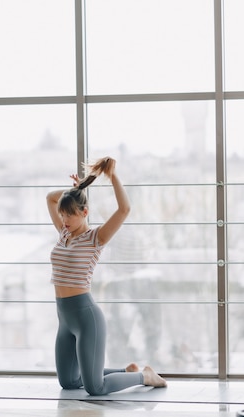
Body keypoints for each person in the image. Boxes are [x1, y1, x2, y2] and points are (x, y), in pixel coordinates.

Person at [46, 156, 166, 396]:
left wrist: (112, 177)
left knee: (95, 388)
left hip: (86, 317)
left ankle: (145, 376)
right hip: (64, 318)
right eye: (63, 215)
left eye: (70, 215)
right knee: (68, 382)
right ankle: (126, 371)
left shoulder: (95, 239)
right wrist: (76, 189)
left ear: (85, 212)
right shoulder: (63, 234)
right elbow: (50, 198)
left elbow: (124, 209)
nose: (65, 220)